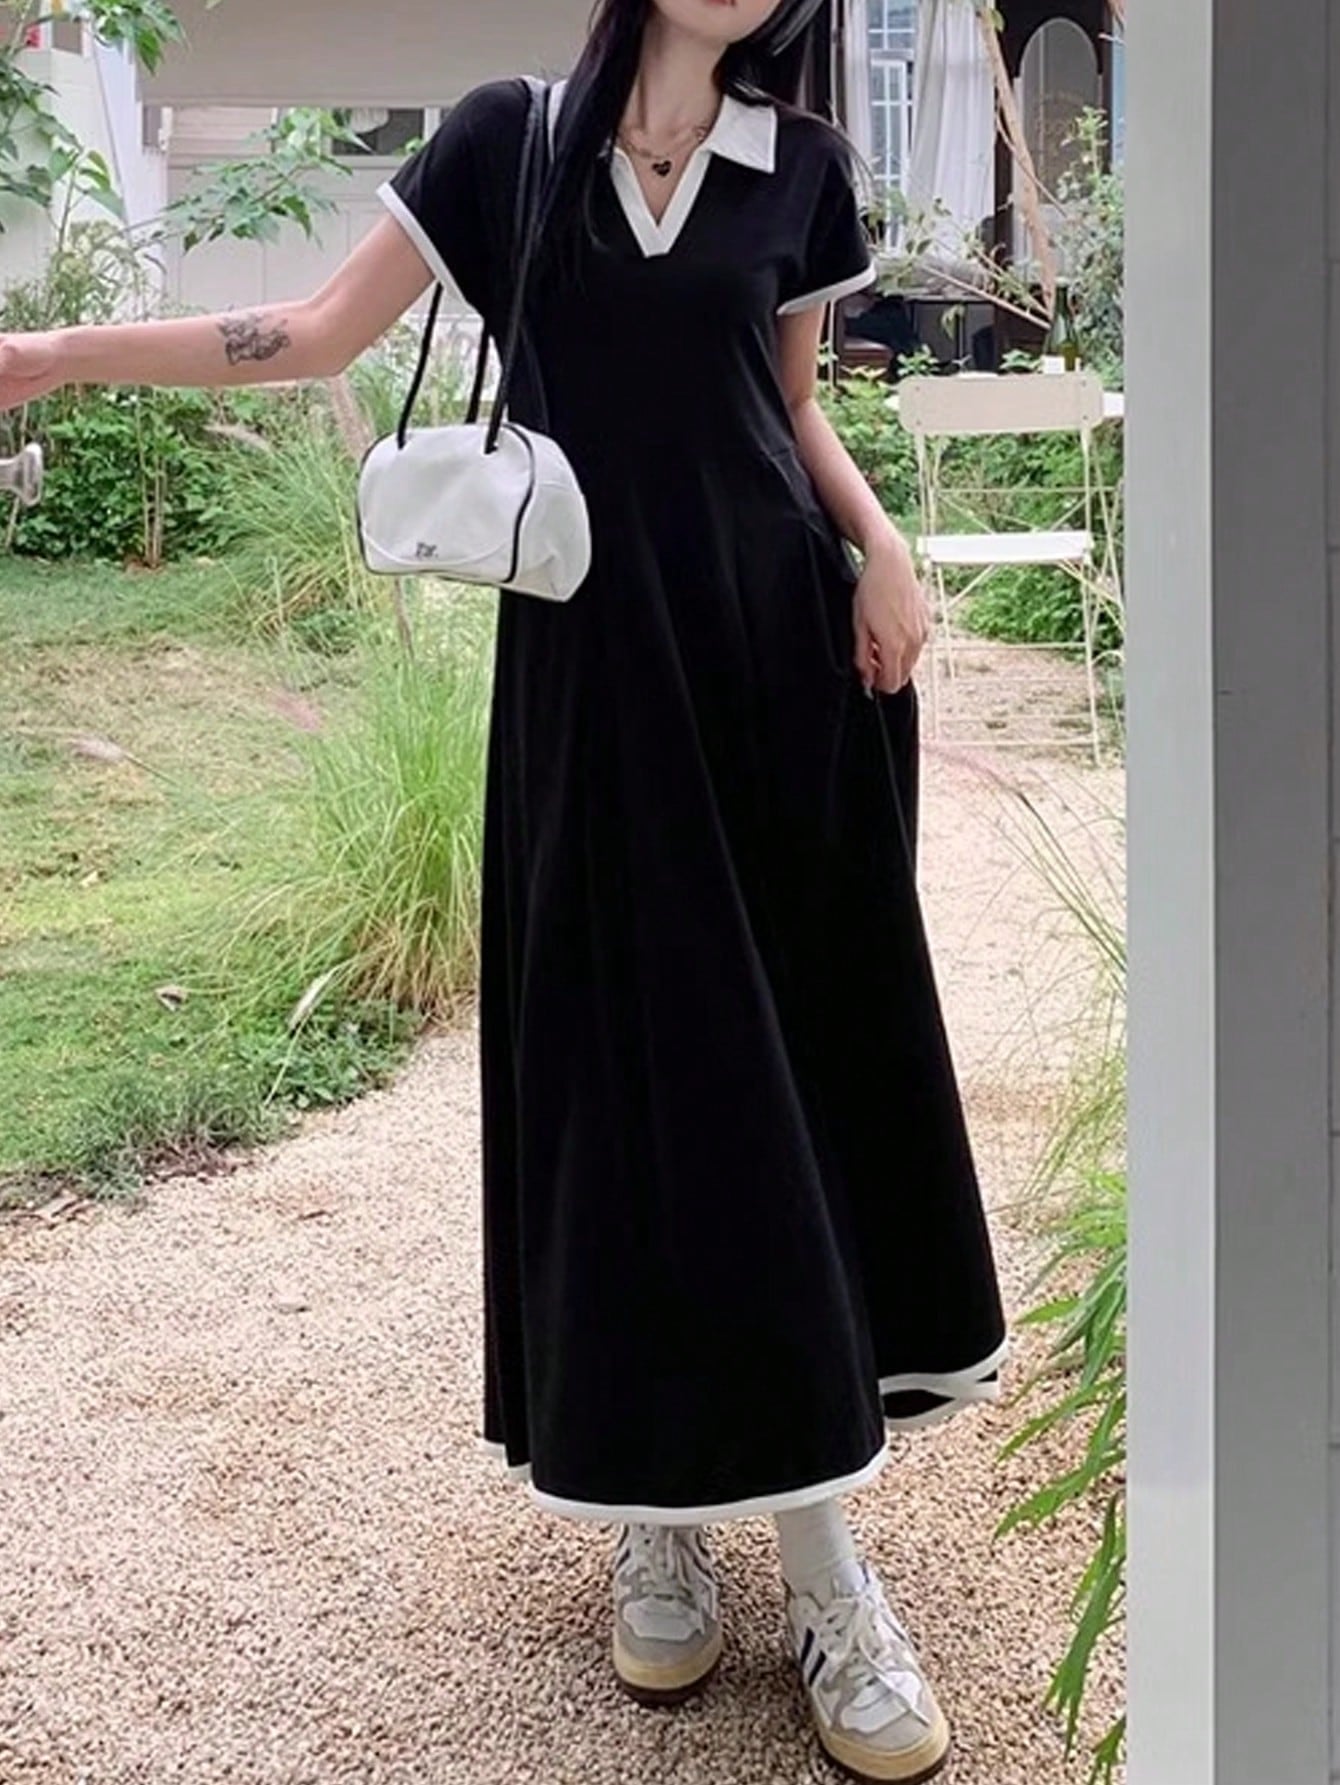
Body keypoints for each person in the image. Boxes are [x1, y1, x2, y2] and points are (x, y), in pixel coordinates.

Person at [0, 2, 1008, 1778]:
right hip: (597, 688)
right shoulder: (508, 140)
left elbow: (789, 410)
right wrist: (61, 351)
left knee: (775, 1092)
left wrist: (884, 541)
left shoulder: (804, 167)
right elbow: (318, 331)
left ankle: (825, 1570)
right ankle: (656, 1507)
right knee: (623, 1086)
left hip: (776, 671)